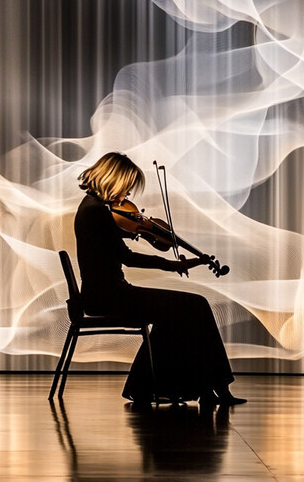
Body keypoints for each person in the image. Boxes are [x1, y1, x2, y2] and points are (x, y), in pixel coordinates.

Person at [74, 151, 247, 407]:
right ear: (114, 180)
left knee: (181, 313)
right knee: (195, 305)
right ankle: (214, 388)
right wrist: (173, 265)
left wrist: (171, 258)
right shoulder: (95, 212)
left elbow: (118, 249)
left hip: (110, 294)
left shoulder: (94, 209)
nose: (126, 197)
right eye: (127, 188)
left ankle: (196, 389)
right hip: (109, 297)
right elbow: (128, 258)